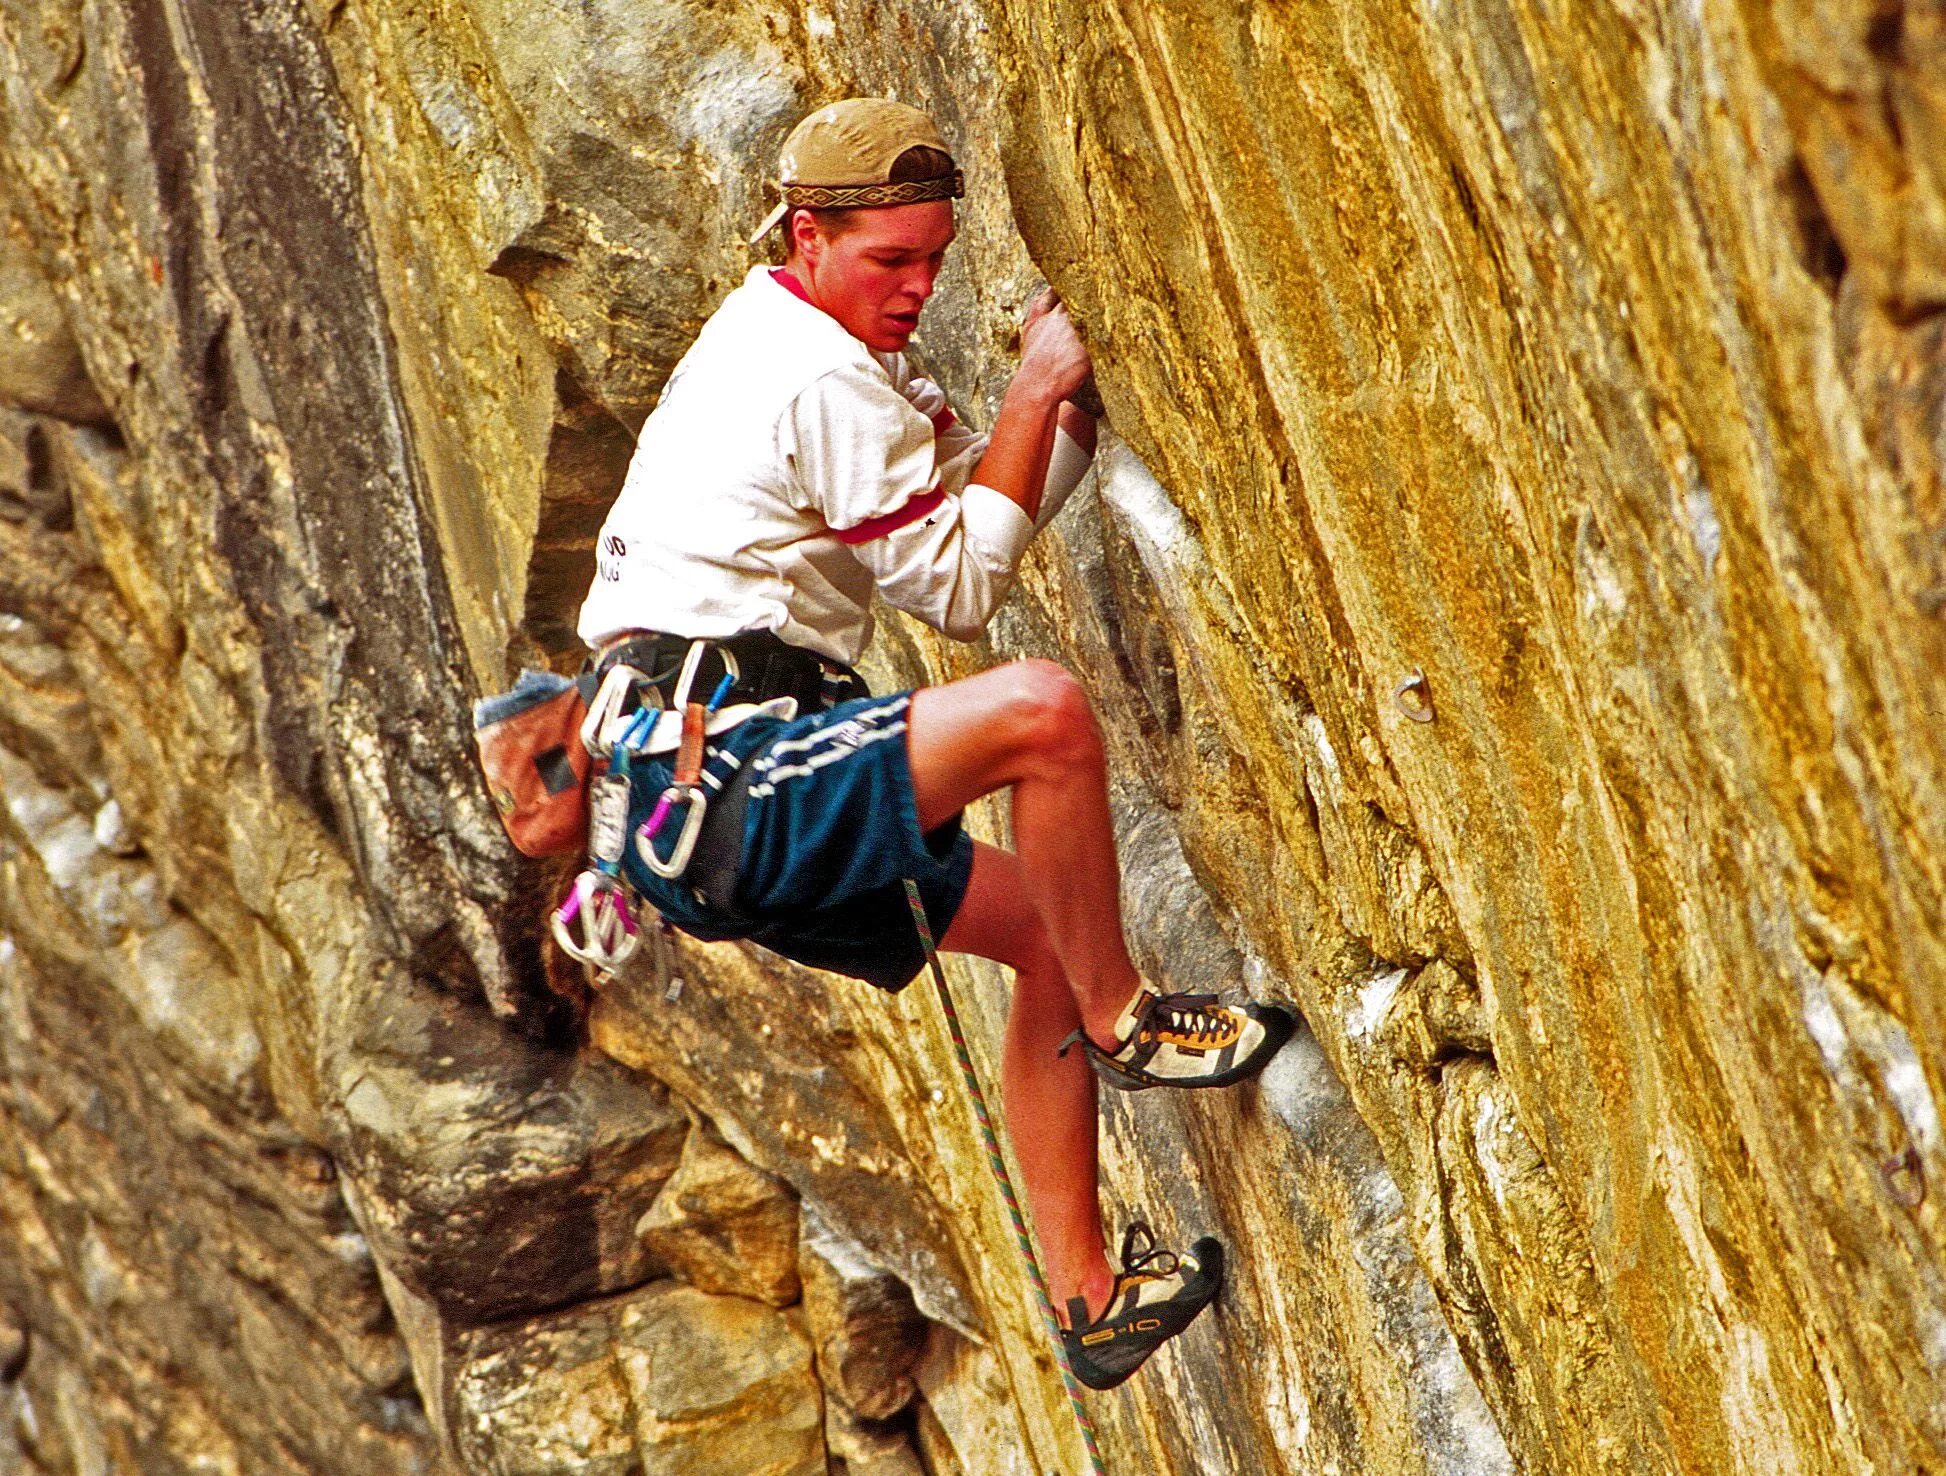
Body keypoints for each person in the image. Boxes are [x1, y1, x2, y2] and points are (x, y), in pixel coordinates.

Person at [576, 97, 1294, 1390]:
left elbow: (990, 499)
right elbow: (958, 589)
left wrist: (1061, 408)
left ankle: (1089, 1298)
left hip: (704, 781)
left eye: (932, 259)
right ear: (805, 236)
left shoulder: (829, 347)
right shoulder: (807, 369)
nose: (915, 287)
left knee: (1040, 936)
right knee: (1040, 714)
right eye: (887, 260)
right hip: (717, 768)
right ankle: (1129, 1022)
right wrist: (1032, 384)